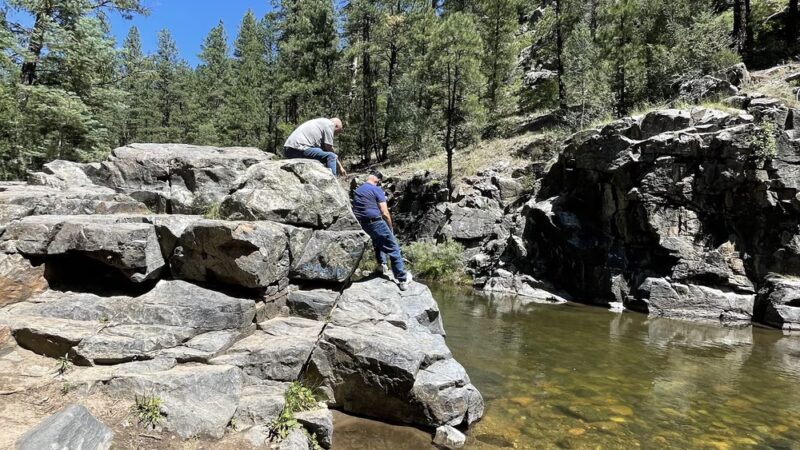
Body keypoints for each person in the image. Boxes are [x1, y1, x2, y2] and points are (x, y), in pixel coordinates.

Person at [352, 171, 412, 290]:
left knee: (378, 240)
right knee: (394, 248)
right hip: (376, 222)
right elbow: (384, 212)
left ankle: (382, 265)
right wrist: (390, 227)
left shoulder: (358, 190)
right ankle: (402, 279)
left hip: (362, 225)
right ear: (378, 181)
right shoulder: (376, 189)